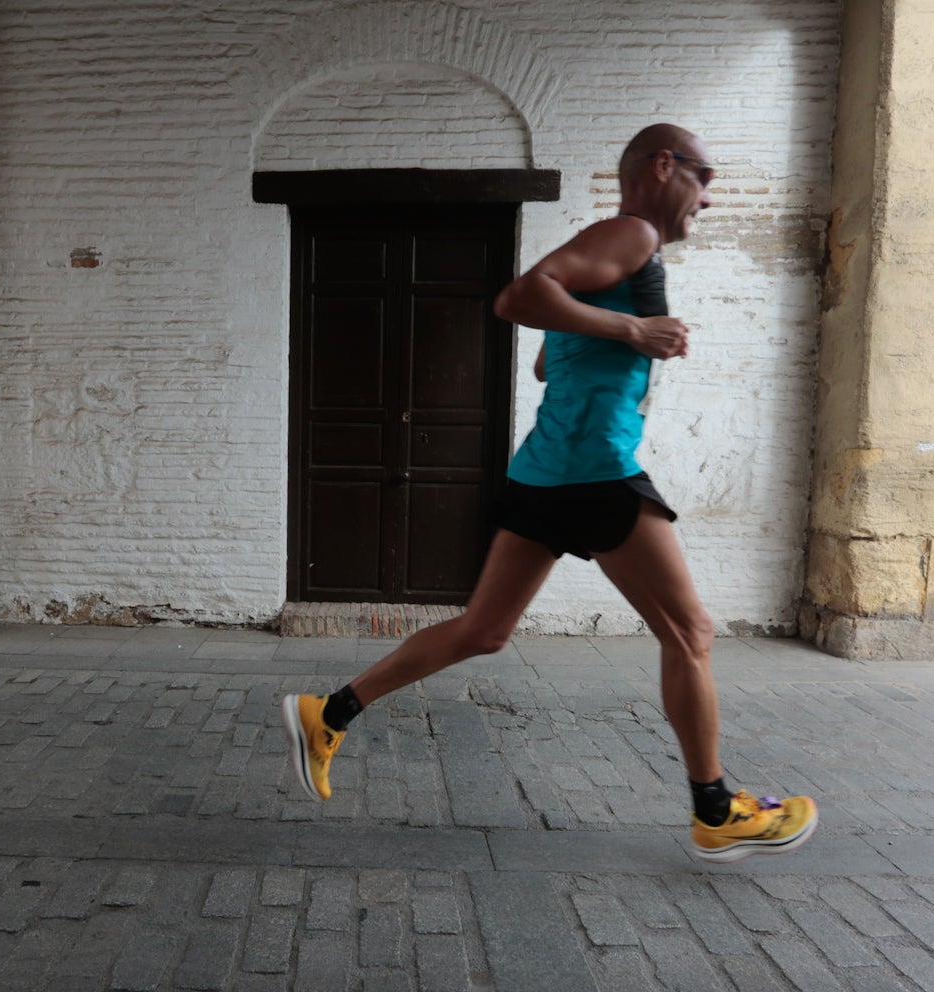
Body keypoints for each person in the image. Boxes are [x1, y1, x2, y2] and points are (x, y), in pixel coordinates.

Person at [281, 124, 817, 864]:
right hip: (594, 469)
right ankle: (717, 809)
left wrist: (624, 333)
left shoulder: (617, 254)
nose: (709, 195)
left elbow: (543, 358)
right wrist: (634, 328)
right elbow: (519, 297)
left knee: (483, 630)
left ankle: (329, 710)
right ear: (664, 166)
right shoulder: (630, 232)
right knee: (689, 632)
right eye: (705, 176)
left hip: (543, 470)